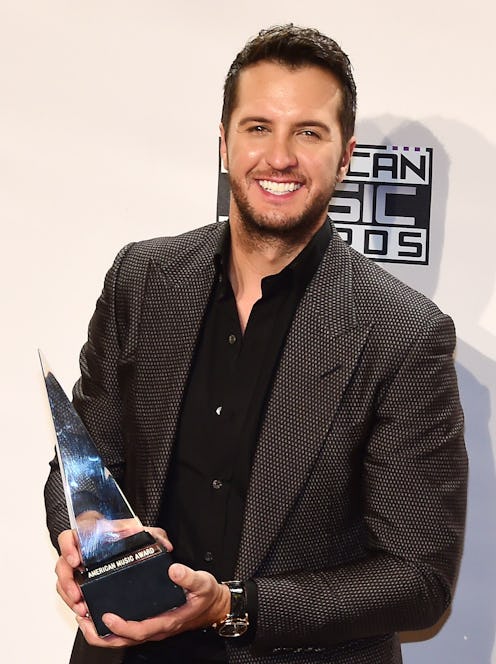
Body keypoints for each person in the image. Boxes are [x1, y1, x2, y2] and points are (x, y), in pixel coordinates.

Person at [44, 24, 467, 664]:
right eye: (259, 127)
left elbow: (419, 578)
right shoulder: (142, 280)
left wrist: (233, 605)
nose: (280, 156)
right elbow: (79, 466)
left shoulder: (402, 334)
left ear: (346, 156)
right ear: (225, 142)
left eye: (309, 132)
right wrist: (83, 539)